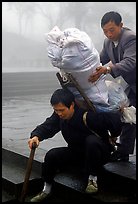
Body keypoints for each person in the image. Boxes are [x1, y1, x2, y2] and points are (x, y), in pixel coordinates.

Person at [28, 88, 123, 202]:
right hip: (77, 152)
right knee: (51, 155)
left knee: (91, 141)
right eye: (56, 110)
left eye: (62, 110)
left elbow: (115, 121)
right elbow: (49, 125)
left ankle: (92, 179)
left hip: (99, 153)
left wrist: (114, 135)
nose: (59, 114)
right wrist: (36, 136)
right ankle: (46, 189)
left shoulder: (88, 116)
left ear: (72, 105)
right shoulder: (59, 115)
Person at [88, 11, 136, 161]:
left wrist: (107, 69)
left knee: (130, 115)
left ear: (120, 25)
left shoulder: (130, 38)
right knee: (127, 114)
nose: (108, 34)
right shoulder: (107, 42)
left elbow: (130, 62)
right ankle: (124, 152)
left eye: (111, 30)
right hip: (132, 84)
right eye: (105, 31)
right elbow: (100, 60)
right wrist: (86, 69)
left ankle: (124, 151)